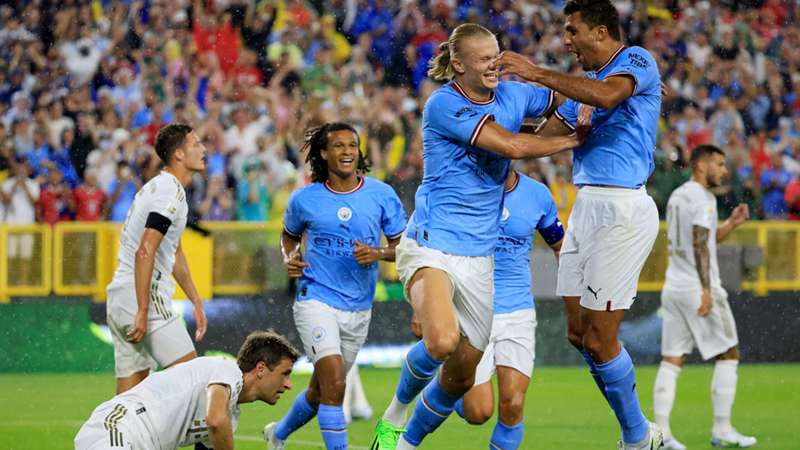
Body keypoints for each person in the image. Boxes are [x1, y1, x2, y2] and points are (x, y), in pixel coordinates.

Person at [370, 23, 587, 450]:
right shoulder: (443, 104)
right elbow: (508, 145)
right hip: (432, 242)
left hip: (479, 256)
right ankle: (395, 418)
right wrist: (573, 137)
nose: (496, 63)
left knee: (460, 377)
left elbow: (565, 97)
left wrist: (599, 99)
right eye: (485, 58)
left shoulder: (513, 94)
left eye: (498, 54)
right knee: (442, 341)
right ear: (458, 64)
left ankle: (406, 442)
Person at [499, 1, 663, 448]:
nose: (566, 40)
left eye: (573, 31)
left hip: (623, 209)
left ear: (601, 30)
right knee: (579, 334)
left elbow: (609, 96)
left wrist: (533, 72)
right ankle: (639, 428)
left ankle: (637, 436)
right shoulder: (581, 87)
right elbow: (539, 141)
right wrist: (490, 125)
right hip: (587, 207)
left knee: (601, 336)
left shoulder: (633, 61)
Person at [263, 122, 408, 450]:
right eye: (339, 146)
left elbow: (405, 248)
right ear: (324, 154)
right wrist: (290, 257)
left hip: (358, 307)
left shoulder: (381, 195)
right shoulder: (305, 199)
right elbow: (288, 236)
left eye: (352, 145)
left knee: (320, 391)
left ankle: (278, 434)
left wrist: (379, 252)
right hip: (315, 299)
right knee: (336, 384)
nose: (347, 151)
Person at [451, 168, 563, 450]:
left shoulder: (537, 194)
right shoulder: (463, 190)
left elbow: (560, 246)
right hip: (473, 310)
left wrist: (576, 297)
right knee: (478, 412)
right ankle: (448, 384)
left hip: (518, 311)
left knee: (513, 404)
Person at [654, 144, 756, 449]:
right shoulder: (704, 199)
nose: (725, 171)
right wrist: (707, 289)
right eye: (720, 164)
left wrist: (731, 225)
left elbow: (700, 239)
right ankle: (722, 430)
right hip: (698, 287)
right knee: (729, 354)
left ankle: (662, 434)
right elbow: (699, 246)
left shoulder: (677, 196)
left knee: (671, 360)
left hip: (673, 286)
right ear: (701, 165)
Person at [105, 123, 209, 394]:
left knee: (128, 402)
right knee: (195, 386)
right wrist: (142, 310)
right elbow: (145, 251)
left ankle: (112, 437)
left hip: (120, 295)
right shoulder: (170, 192)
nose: (204, 149)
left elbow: (174, 253)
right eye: (196, 144)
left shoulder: (157, 187)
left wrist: (195, 301)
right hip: (143, 296)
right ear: (178, 154)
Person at [75, 330, 300, 450]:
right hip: (117, 428)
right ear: (260, 369)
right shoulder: (226, 369)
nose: (289, 384)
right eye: (285, 373)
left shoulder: (229, 416)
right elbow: (214, 420)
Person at [0, 158, 40, 285]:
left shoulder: (33, 184)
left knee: (25, 257)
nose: (20, 171)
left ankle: (23, 283)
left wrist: (25, 187)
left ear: (27, 170)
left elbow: (34, 202)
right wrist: (15, 186)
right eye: (18, 168)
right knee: (9, 257)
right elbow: (5, 201)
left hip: (27, 226)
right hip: (11, 227)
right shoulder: (7, 183)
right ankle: (8, 282)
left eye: (23, 169)